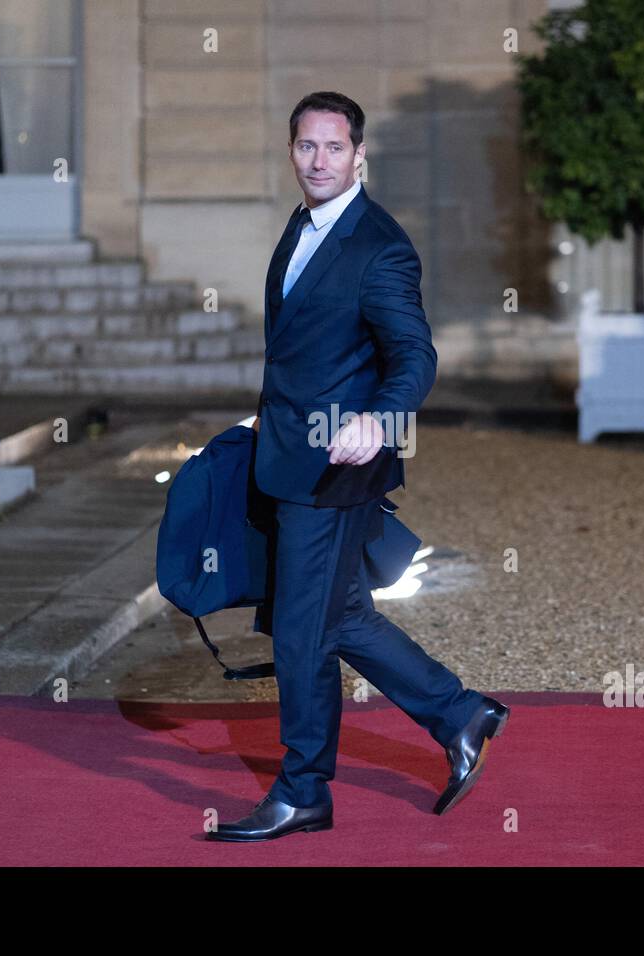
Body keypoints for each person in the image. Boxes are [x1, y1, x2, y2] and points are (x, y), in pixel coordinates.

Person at [208, 92, 508, 842]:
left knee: (300, 634)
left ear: (359, 155)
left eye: (333, 148)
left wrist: (378, 421)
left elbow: (415, 355)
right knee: (338, 615)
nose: (318, 161)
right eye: (306, 147)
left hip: (339, 465)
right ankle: (460, 712)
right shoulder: (301, 225)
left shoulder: (380, 245)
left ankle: (304, 789)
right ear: (292, 153)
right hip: (289, 456)